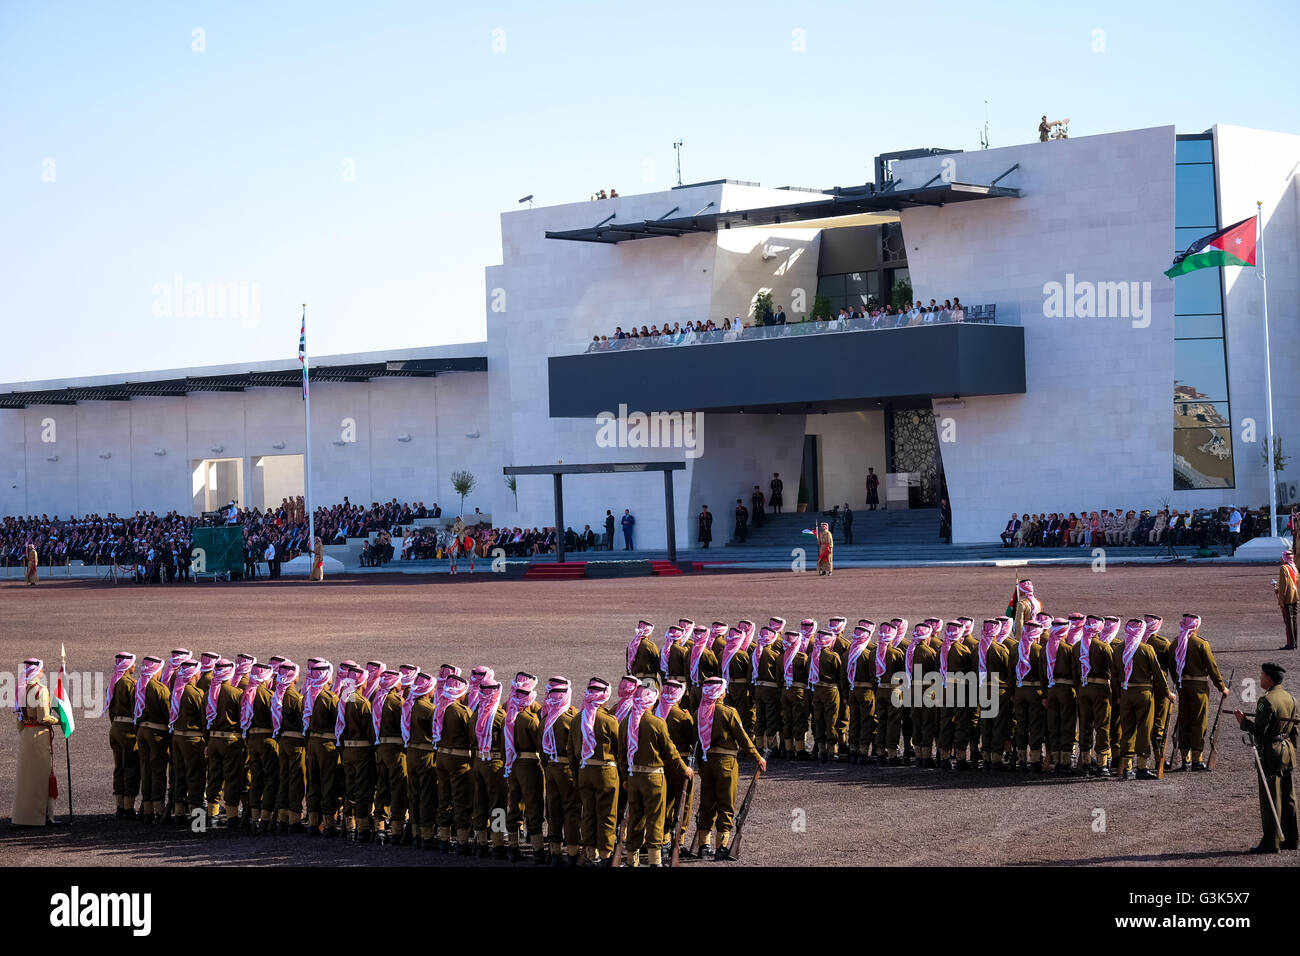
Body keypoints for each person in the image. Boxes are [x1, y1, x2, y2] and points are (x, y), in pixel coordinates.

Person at [688, 676, 766, 860]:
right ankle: (721, 846)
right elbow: (742, 738)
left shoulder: (698, 713)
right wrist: (757, 757)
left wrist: (700, 764)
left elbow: (696, 742)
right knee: (725, 803)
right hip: (725, 762)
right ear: (719, 693)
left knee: (707, 803)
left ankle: (703, 845)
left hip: (707, 762)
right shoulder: (728, 712)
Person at [617, 679, 691, 867]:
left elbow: (622, 754)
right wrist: (684, 768)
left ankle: (631, 858)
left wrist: (626, 777)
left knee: (635, 816)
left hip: (634, 776)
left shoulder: (626, 722)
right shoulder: (656, 723)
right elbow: (670, 751)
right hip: (654, 777)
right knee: (655, 818)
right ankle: (654, 860)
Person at [1233, 662, 1298, 853]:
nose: (1260, 678)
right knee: (1289, 798)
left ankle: (1271, 842)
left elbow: (1260, 732)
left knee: (1271, 798)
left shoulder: (1266, 700)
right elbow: (1294, 731)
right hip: (1287, 752)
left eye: (1262, 676)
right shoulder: (1290, 698)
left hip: (1271, 753)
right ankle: (1292, 839)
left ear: (1269, 678)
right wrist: (1292, 749)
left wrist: (1243, 722)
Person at [569, 678, 620, 866]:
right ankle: (606, 855)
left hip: (584, 771)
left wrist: (577, 775)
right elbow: (619, 749)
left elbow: (571, 751)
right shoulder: (609, 720)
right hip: (605, 772)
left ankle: (591, 853)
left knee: (588, 813)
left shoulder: (576, 720)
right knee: (607, 814)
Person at [1171, 613, 1229, 771]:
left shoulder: (1176, 643)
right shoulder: (1201, 643)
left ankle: (1185, 759)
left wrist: (1178, 681)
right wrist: (1221, 687)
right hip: (1199, 687)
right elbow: (1212, 667)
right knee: (1198, 722)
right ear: (1196, 626)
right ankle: (1197, 759)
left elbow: (1172, 666)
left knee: (1183, 721)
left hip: (1182, 687)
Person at [13, 658, 60, 826]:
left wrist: (25, 730)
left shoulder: (20, 689)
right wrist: (59, 721)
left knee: (26, 778)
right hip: (39, 735)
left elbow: (19, 718)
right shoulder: (41, 690)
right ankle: (41, 817)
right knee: (42, 776)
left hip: (26, 733)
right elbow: (44, 717)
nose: (43, 672)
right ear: (37, 671)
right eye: (41, 669)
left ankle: (24, 816)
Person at [540, 677, 581, 866]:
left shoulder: (544, 720)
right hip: (566, 767)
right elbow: (577, 749)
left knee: (553, 808)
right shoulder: (570, 720)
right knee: (571, 809)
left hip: (550, 767)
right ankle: (572, 852)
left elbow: (541, 751)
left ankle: (554, 851)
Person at [105, 652, 140, 819]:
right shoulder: (131, 684)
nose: (135, 666)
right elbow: (137, 710)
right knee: (131, 767)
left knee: (118, 767)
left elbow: (110, 710)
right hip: (128, 730)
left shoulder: (113, 683)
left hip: (115, 728)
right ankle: (128, 807)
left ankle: (119, 805)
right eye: (133, 664)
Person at [1276, 549, 1298, 651]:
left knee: (1288, 621)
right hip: (1295, 597)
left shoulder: (1283, 568)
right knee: (1294, 620)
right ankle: (1295, 642)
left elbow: (1283, 585)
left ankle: (1290, 643)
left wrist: (1281, 599)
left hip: (1288, 598)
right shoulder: (1294, 568)